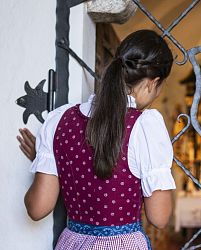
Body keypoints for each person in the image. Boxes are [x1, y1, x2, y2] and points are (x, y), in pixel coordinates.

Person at [17, 29, 176, 250]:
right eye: (159, 88)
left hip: (72, 243)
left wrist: (46, 163)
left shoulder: (59, 120)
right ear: (152, 83)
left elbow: (37, 208)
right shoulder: (145, 126)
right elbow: (159, 217)